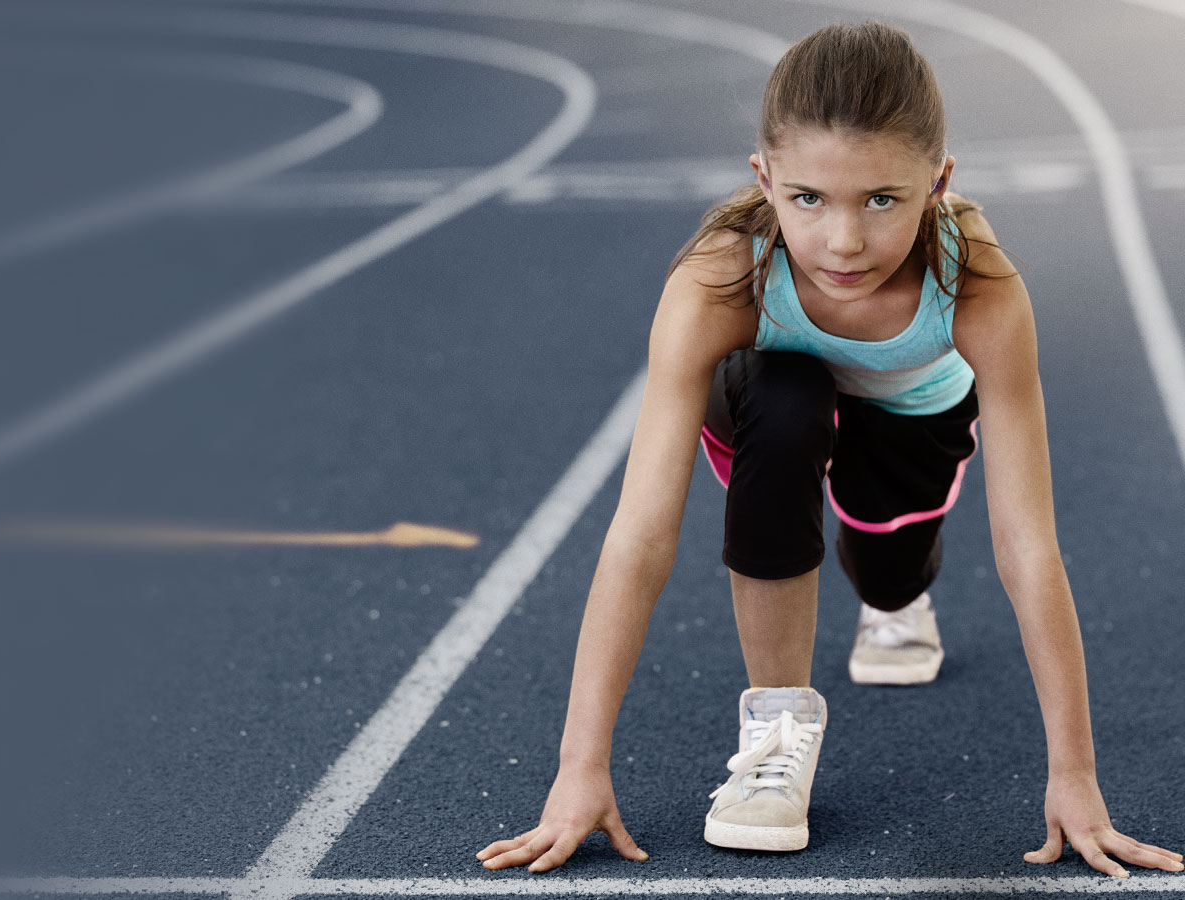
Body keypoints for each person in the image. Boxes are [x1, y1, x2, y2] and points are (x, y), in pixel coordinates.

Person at [475, 21, 1185, 876]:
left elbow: (1027, 544)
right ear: (764, 180)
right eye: (808, 198)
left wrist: (1075, 777)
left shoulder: (981, 285)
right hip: (771, 398)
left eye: (881, 199)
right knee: (783, 398)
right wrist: (578, 769)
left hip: (912, 406)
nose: (843, 243)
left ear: (938, 183)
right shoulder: (719, 278)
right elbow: (641, 534)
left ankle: (896, 594)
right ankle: (777, 736)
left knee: (887, 571)